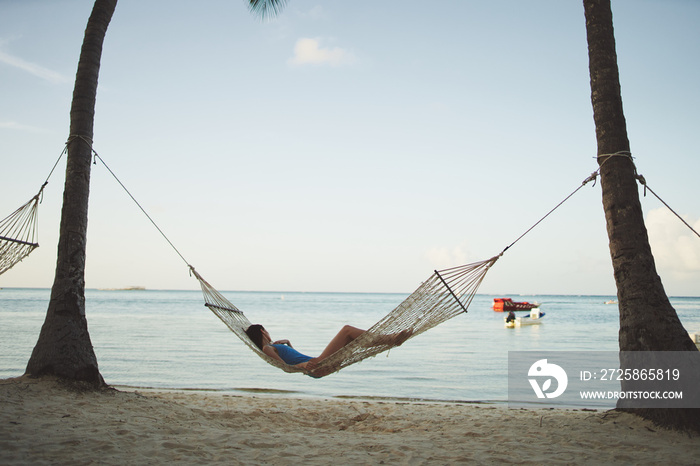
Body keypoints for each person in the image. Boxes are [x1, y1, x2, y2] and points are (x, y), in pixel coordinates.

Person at [245, 324, 411, 375]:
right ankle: (391, 339)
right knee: (347, 331)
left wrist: (289, 344)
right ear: (262, 331)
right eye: (266, 330)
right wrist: (303, 366)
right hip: (317, 365)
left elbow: (294, 359)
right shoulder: (267, 348)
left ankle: (390, 340)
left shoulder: (272, 346)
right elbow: (286, 368)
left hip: (318, 365)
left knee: (354, 340)